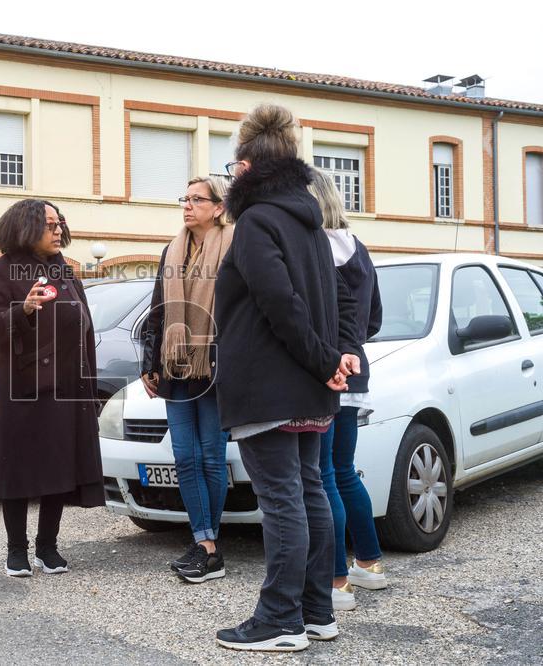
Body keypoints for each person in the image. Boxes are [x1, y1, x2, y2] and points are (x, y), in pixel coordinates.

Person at [212, 104, 361, 652]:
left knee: (282, 499)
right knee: (307, 491)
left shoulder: (256, 221)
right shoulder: (311, 225)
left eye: (232, 168)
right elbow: (341, 298)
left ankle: (279, 619)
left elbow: (279, 303)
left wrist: (327, 359)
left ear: (247, 168)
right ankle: (316, 611)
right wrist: (335, 356)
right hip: (305, 383)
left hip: (269, 381)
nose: (229, 178)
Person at [0, 199, 104, 577]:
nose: (58, 229)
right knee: (17, 465)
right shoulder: (3, 270)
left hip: (66, 385)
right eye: (49, 224)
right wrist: (24, 310)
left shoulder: (65, 269)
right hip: (22, 386)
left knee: (58, 465)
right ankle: (17, 550)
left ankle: (48, 547)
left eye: (59, 222)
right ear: (26, 227)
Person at [140, 175, 234, 584]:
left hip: (215, 365)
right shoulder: (172, 249)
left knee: (212, 456)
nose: (188, 205)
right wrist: (149, 361)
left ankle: (206, 547)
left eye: (198, 199)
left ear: (218, 207)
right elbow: (158, 308)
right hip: (177, 366)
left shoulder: (233, 246)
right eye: (185, 198)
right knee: (185, 457)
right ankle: (207, 543)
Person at [308, 169, 386, 611]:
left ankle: (337, 583)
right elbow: (374, 317)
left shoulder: (316, 249)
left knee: (322, 478)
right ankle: (370, 563)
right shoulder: (358, 247)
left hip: (325, 371)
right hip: (357, 373)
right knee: (343, 470)